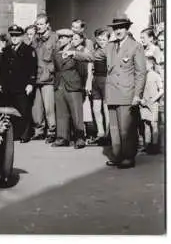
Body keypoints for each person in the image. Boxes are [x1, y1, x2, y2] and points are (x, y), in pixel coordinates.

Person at [65, 17, 146, 168]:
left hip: (127, 93)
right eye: (115, 28)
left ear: (127, 28)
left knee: (126, 129)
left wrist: (137, 95)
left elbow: (141, 73)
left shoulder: (136, 46)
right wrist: (74, 54)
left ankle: (128, 157)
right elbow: (92, 56)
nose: (118, 31)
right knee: (114, 129)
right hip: (112, 92)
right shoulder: (109, 46)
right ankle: (117, 155)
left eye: (121, 27)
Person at [0, 25, 37, 143]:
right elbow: (2, 69)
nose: (14, 38)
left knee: (23, 110)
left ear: (22, 36)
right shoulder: (6, 50)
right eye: (12, 35)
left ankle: (25, 134)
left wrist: (30, 83)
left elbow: (32, 69)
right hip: (8, 86)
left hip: (22, 86)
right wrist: (0, 83)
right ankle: (14, 134)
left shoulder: (28, 50)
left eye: (17, 35)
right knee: (10, 111)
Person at [51, 29, 87, 149]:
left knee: (76, 113)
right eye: (60, 38)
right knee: (61, 113)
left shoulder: (76, 52)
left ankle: (80, 138)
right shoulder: (56, 53)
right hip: (59, 85)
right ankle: (62, 138)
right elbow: (56, 70)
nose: (61, 40)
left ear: (70, 39)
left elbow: (83, 71)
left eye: (64, 38)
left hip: (73, 85)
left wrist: (81, 86)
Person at [31, 13, 58, 143]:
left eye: (41, 24)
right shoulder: (35, 39)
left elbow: (57, 58)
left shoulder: (54, 38)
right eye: (37, 24)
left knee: (49, 108)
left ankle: (52, 131)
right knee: (36, 108)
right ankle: (39, 131)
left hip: (48, 79)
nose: (39, 26)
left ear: (47, 25)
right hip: (36, 78)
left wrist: (50, 70)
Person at [89, 28, 111, 144]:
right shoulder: (96, 49)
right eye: (99, 39)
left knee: (106, 108)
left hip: (106, 79)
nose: (101, 41)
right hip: (96, 80)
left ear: (108, 39)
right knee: (96, 108)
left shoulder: (109, 50)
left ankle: (108, 134)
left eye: (104, 39)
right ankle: (100, 132)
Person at [139, 56, 163, 154]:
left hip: (153, 104)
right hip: (144, 103)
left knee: (154, 124)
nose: (144, 66)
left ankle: (155, 146)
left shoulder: (155, 75)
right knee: (146, 124)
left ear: (151, 64)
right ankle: (147, 145)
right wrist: (141, 100)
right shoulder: (142, 76)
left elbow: (161, 90)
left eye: (146, 64)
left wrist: (153, 100)